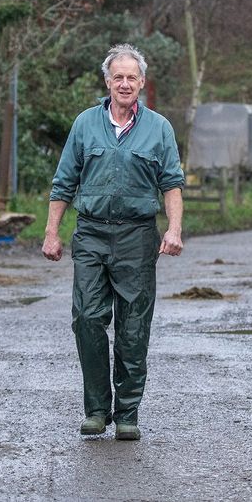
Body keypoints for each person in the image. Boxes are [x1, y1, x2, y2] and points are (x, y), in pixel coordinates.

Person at [42, 43, 185, 441]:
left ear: (142, 83)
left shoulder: (159, 128)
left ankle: (127, 413)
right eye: (117, 77)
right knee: (87, 318)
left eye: (131, 77)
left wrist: (173, 229)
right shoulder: (85, 124)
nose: (124, 83)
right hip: (90, 232)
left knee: (133, 325)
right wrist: (52, 232)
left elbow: (171, 183)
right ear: (108, 81)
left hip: (137, 236)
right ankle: (96, 409)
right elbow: (63, 182)